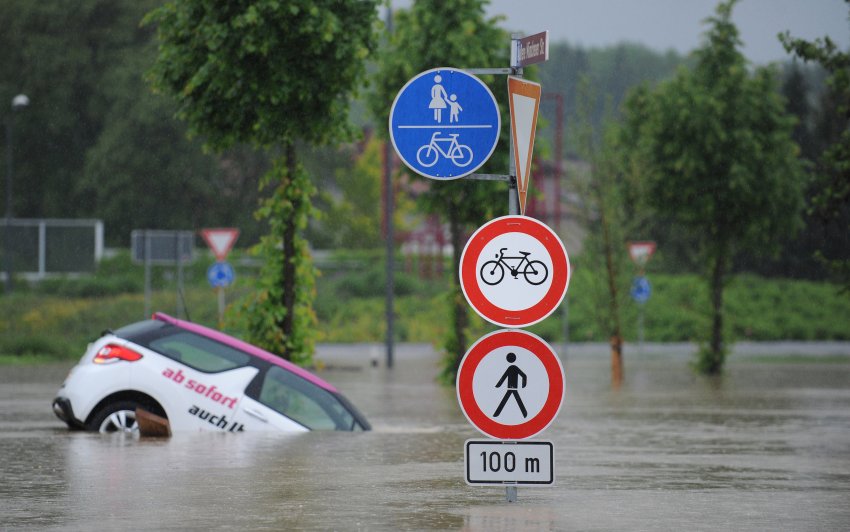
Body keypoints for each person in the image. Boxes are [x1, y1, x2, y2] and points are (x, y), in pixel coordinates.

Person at [493, 352, 528, 418]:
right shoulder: (514, 367)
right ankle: (525, 414)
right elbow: (524, 376)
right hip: (512, 388)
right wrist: (523, 385)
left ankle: (496, 414)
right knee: (514, 400)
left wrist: (498, 385)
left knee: (506, 400)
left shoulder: (512, 367)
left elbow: (504, 377)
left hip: (511, 387)